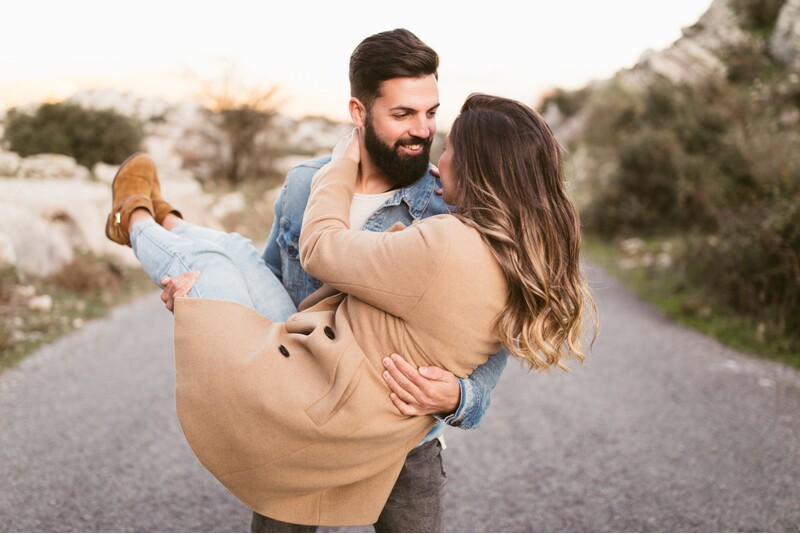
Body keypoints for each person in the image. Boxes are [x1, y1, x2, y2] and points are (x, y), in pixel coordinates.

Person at [103, 92, 596, 528]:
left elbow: (320, 248)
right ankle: (158, 214)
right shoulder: (514, 251)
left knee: (208, 268)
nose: (430, 145)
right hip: (316, 359)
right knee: (229, 254)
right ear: (362, 113)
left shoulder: (444, 228)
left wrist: (338, 167)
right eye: (404, 113)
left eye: (435, 122)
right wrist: (218, 300)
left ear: (480, 172)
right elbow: (275, 274)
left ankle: (137, 217)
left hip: (341, 410)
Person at [163, 28, 508, 533]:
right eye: (402, 114)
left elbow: (492, 333)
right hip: (298, 420)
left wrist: (461, 397)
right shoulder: (306, 185)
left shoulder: (449, 204)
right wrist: (205, 302)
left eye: (430, 112)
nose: (422, 130)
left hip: (405, 443)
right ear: (359, 112)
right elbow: (270, 293)